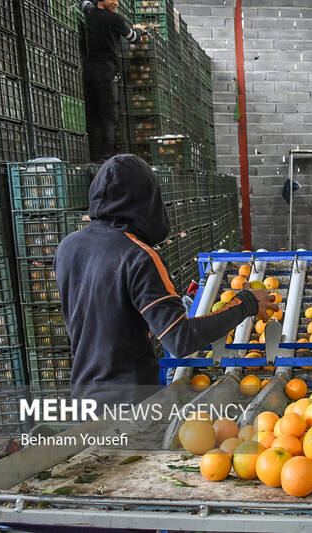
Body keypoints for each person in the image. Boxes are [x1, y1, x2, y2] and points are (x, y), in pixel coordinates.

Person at [55, 154, 278, 407]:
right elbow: (180, 338)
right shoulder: (137, 256)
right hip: (129, 404)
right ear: (147, 200)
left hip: (83, 396)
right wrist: (245, 303)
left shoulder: (68, 247)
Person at [79, 0, 143, 163]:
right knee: (109, 116)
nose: (116, 3)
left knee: (94, 115)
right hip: (106, 72)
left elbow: (84, 4)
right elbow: (133, 38)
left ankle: (94, 157)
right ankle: (105, 157)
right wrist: (139, 29)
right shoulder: (115, 19)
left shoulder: (91, 14)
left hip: (90, 72)